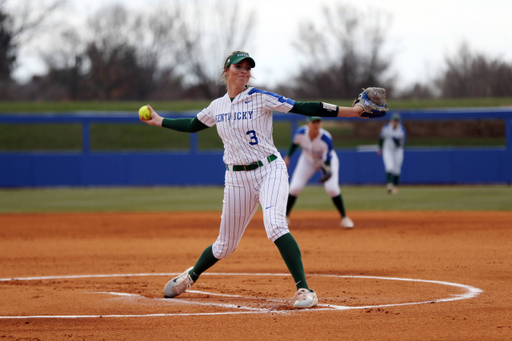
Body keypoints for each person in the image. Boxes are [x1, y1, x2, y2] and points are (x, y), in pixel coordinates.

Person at [139, 51, 370, 309]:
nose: (244, 71)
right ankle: (190, 275)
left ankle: (305, 290)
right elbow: (193, 124)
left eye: (248, 67)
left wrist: (353, 112)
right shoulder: (218, 106)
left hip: (269, 170)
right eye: (239, 66)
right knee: (224, 246)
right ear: (226, 71)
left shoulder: (260, 98)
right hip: (236, 178)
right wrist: (159, 121)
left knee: (274, 225)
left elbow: (303, 107)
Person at [284, 116, 354, 228]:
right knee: (294, 188)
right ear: (308, 124)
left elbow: (328, 160)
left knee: (332, 189)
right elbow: (295, 143)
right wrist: (288, 157)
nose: (316, 125)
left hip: (325, 162)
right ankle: (285, 217)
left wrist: (327, 172)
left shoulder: (325, 139)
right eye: (313, 122)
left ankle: (344, 217)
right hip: (307, 161)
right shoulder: (300, 133)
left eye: (318, 122)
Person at [378, 113, 406, 194]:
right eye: (394, 121)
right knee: (389, 167)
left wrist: (397, 140)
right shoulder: (386, 128)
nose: (395, 122)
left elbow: (401, 142)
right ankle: (389, 185)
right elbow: (381, 138)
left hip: (398, 150)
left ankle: (395, 186)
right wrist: (380, 147)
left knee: (397, 169)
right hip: (388, 150)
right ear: (391, 121)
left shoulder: (401, 130)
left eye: (397, 121)